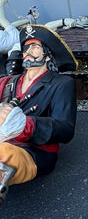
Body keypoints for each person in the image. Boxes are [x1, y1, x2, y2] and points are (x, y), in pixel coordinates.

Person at [0, 24, 78, 205]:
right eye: (26, 47)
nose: (28, 51)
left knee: (4, 153)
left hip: (33, 150)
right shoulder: (7, 82)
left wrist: (25, 125)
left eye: (35, 47)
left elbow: (65, 130)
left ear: (48, 54)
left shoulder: (61, 83)